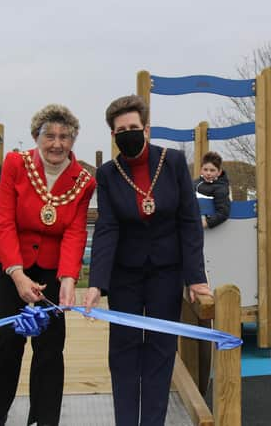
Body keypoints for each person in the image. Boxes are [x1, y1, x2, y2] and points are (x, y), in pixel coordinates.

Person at [84, 95, 213, 426]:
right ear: (113, 135)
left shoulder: (171, 163)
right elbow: (107, 228)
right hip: (125, 276)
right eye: (121, 129)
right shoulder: (108, 174)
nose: (128, 133)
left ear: (146, 128)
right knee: (124, 353)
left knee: (160, 351)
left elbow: (188, 222)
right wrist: (97, 282)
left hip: (166, 275)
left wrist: (195, 277)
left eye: (133, 127)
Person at [0, 104, 96, 426]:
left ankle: (45, 418)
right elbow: (3, 222)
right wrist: (16, 274)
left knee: (49, 346)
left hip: (51, 269)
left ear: (73, 140)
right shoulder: (16, 164)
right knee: (8, 340)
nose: (57, 143)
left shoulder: (84, 182)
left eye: (65, 136)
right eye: (50, 136)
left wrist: (70, 278)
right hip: (10, 264)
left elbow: (75, 232)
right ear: (37, 136)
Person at [193, 151, 231, 229]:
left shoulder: (221, 188)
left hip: (205, 226)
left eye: (212, 170)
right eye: (205, 169)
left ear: (219, 172)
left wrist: (207, 222)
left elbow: (223, 213)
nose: (208, 173)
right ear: (201, 170)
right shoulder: (194, 183)